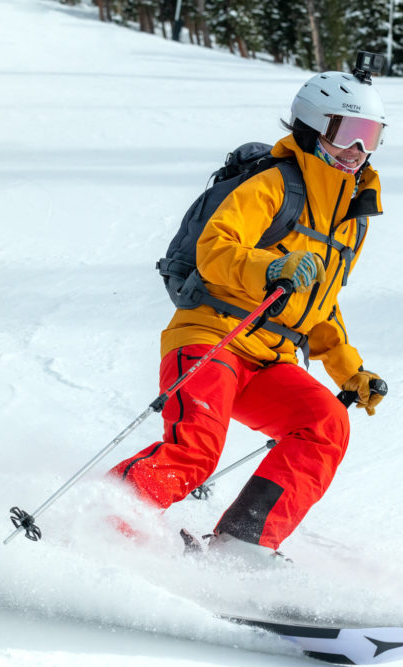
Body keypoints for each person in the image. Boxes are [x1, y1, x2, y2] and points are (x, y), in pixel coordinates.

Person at [109, 66, 388, 564]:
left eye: (371, 137)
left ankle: (242, 544)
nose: (358, 151)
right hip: (212, 335)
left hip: (268, 359)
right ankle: (103, 527)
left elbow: (320, 302)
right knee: (194, 451)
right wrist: (272, 265)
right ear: (312, 127)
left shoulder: (351, 219)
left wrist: (350, 369)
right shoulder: (273, 185)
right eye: (347, 133)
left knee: (324, 423)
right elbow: (215, 249)